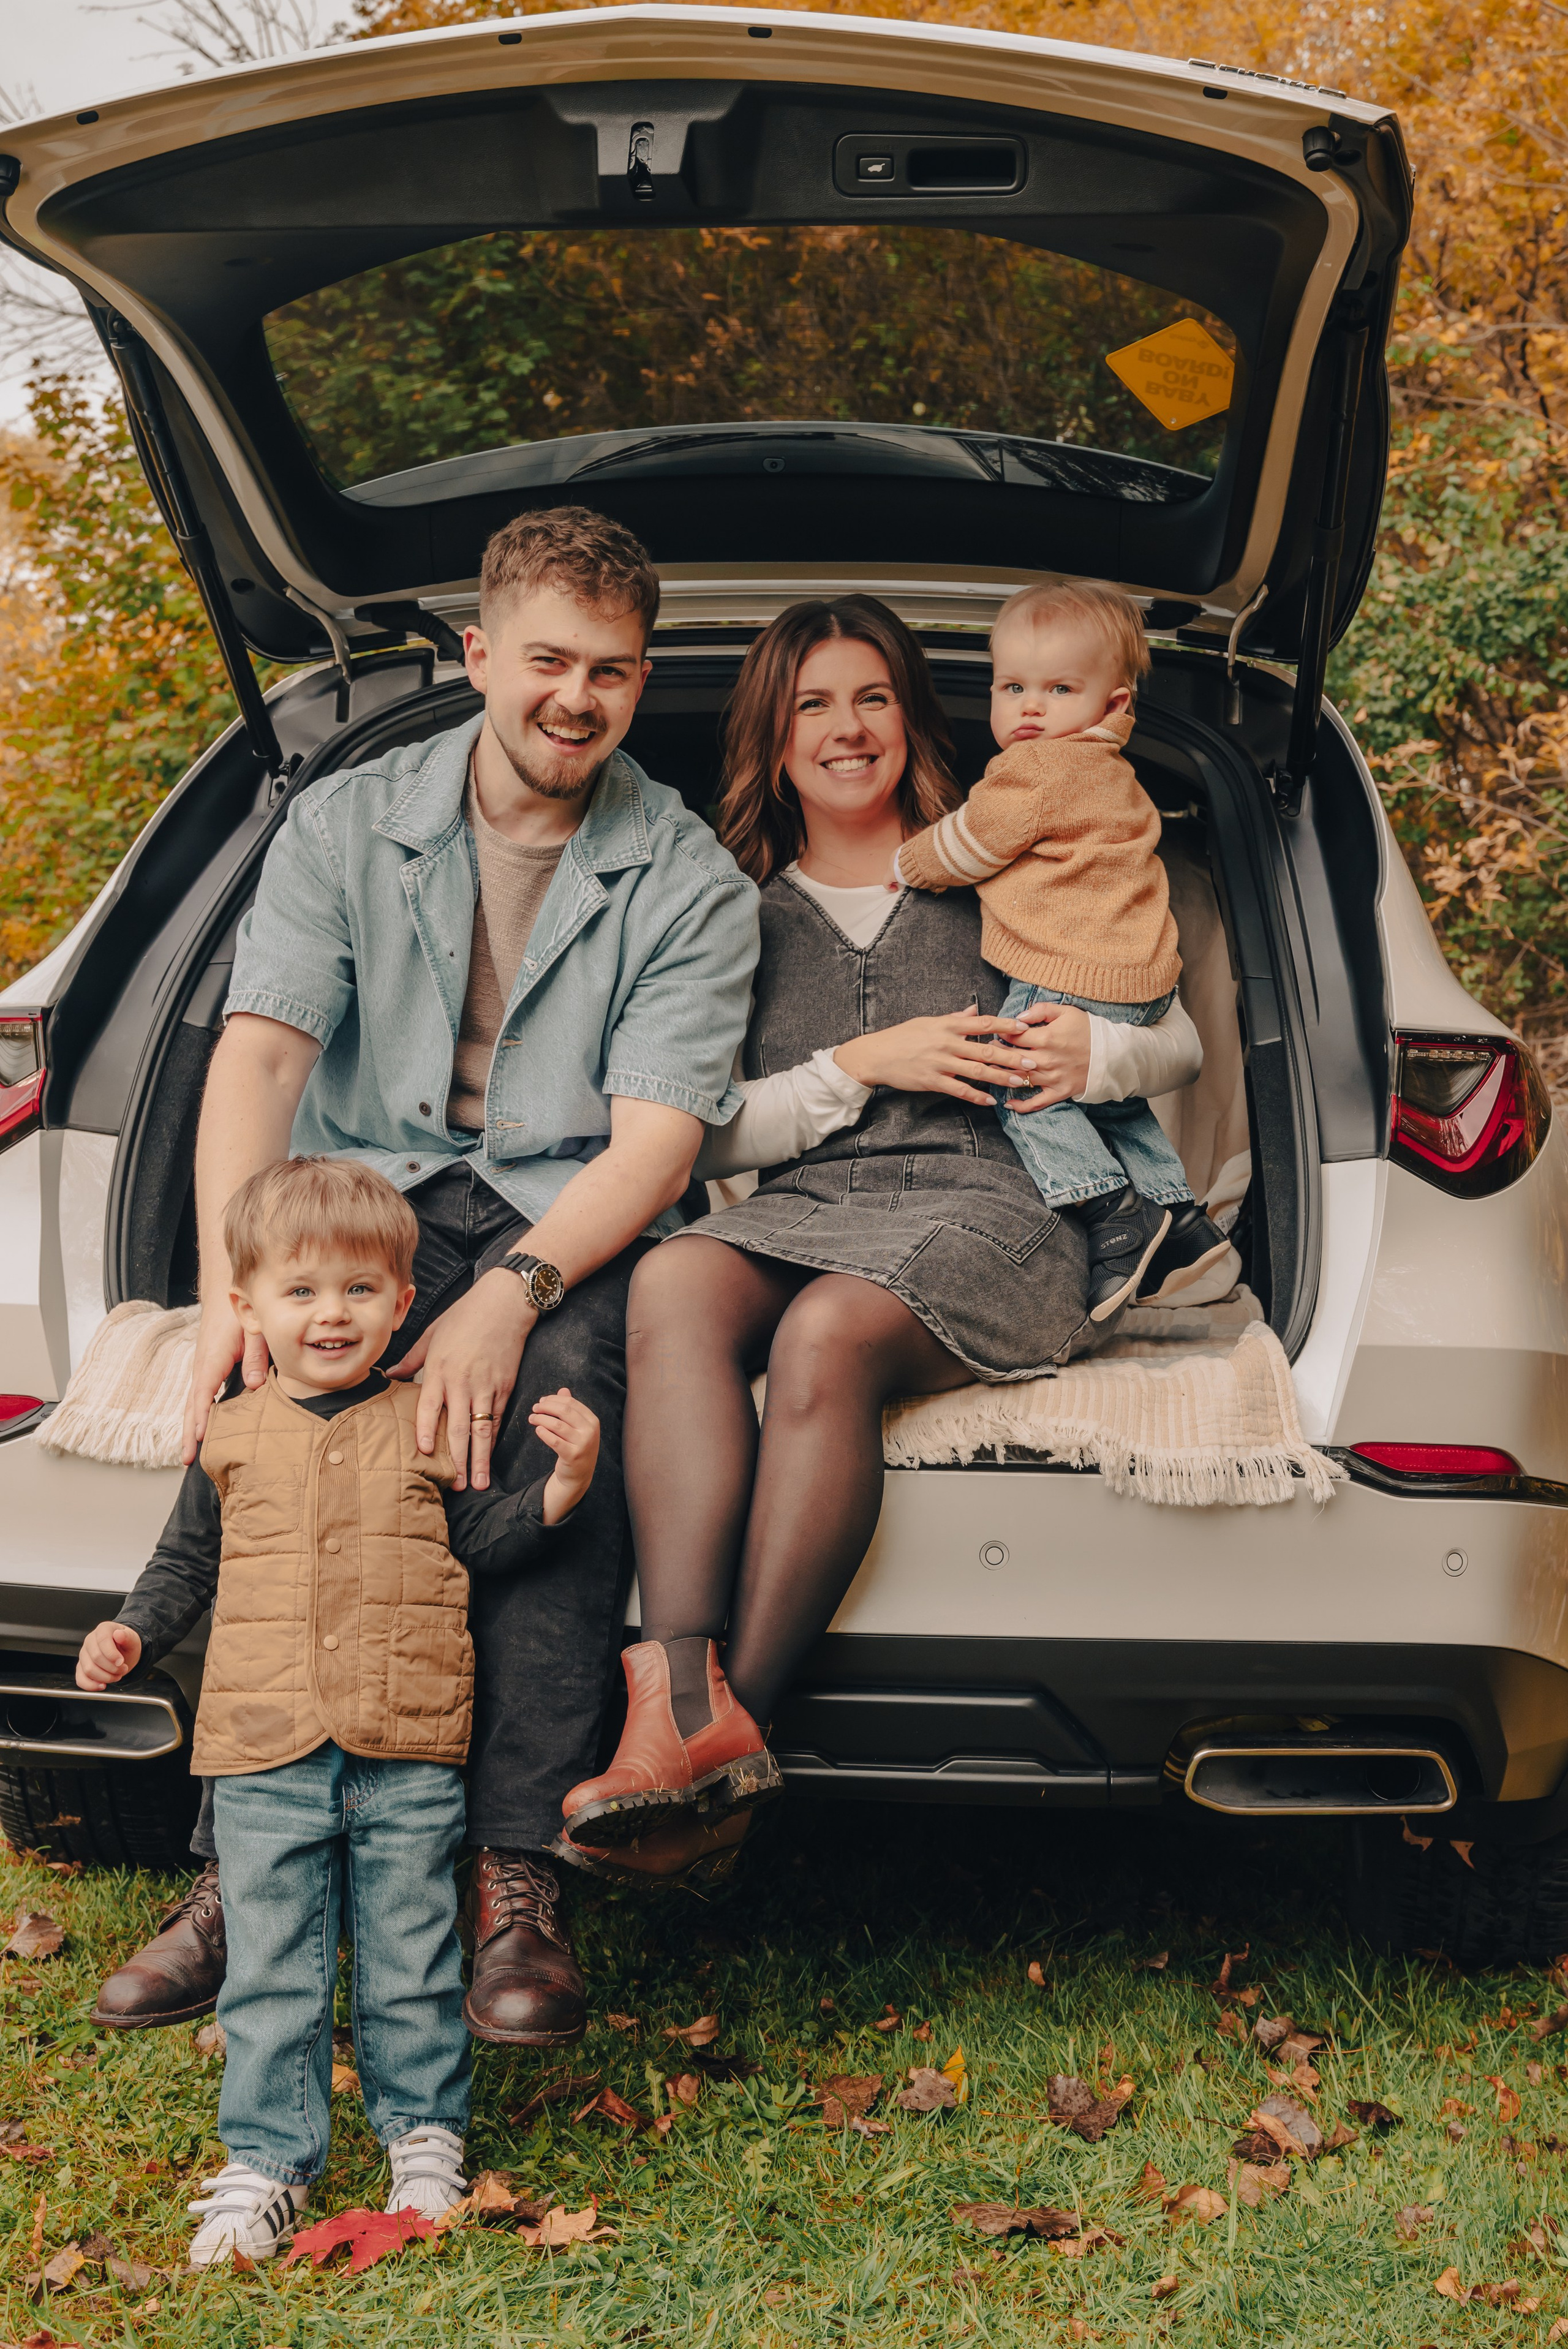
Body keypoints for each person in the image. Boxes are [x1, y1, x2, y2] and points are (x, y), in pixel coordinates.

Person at [89, 507, 758, 2045]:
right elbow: (259, 1054)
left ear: (639, 677)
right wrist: (229, 1293)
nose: (573, 697)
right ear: (477, 654)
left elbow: (654, 1148)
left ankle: (511, 1883)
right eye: (544, 660)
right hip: (358, 1197)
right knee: (286, 1439)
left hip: (561, 1213)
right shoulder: (344, 819)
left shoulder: (686, 876)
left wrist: (505, 1295)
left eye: (608, 668)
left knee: (553, 1428)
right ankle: (231, 1881)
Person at [551, 594, 1204, 1880]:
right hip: (806, 1199)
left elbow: (1169, 1032)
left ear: (909, 718)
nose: (845, 730)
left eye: (871, 698)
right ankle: (682, 1705)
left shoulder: (1017, 851)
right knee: (676, 1274)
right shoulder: (725, 908)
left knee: (827, 1330)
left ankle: (736, 1735)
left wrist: (1100, 1051)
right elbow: (696, 1135)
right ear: (772, 739)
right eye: (810, 706)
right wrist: (859, 1063)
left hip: (997, 1200)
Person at [76, 1158, 602, 2264]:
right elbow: (185, 1565)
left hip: (405, 1741)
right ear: (248, 1307)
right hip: (262, 1746)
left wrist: (554, 1493)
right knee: (273, 1963)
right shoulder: (228, 1433)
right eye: (304, 1291)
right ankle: (267, 2160)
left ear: (407, 1304)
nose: (332, 1314)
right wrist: (132, 1630)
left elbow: (485, 1542)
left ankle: (422, 2137)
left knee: (411, 1952)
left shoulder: (427, 1422)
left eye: (361, 1291)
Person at [894, 579, 1229, 1320]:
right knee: (1109, 1107)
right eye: (1012, 687)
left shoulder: (1038, 769)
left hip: (1070, 971)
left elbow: (972, 842)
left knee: (1023, 1088)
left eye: (1057, 687)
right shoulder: (1115, 774)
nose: (1031, 709)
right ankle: (1181, 1220)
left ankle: (1112, 1214)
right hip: (1137, 980)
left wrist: (907, 864)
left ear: (1114, 707)